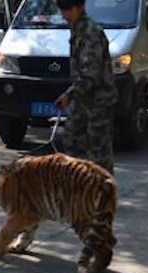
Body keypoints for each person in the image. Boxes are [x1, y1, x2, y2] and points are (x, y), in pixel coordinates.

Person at [54, 0, 117, 174]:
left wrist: (69, 95)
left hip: (98, 103)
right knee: (71, 141)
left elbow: (90, 75)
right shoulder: (77, 30)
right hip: (83, 101)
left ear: (79, 8)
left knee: (99, 153)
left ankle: (104, 193)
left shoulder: (91, 33)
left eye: (67, 9)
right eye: (62, 10)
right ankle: (81, 188)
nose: (64, 15)